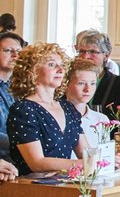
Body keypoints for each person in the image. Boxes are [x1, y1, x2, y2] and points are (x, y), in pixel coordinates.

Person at [8, 42, 89, 176]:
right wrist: (85, 163)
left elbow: (86, 152)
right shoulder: (23, 109)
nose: (61, 70)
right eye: (52, 65)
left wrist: (107, 159)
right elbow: (37, 163)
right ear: (32, 70)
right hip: (33, 187)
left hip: (65, 183)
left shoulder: (67, 107)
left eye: (62, 65)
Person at [75, 30, 120, 114]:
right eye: (82, 51)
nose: (85, 56)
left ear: (106, 55)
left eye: (92, 52)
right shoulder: (69, 82)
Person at [62, 59, 109, 148]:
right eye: (81, 83)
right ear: (65, 85)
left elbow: (104, 155)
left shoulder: (101, 119)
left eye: (92, 83)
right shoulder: (57, 117)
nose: (88, 89)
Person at [0, 32, 22, 163]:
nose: (15, 55)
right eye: (8, 50)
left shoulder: (22, 87)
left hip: (19, 161)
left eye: (18, 51)